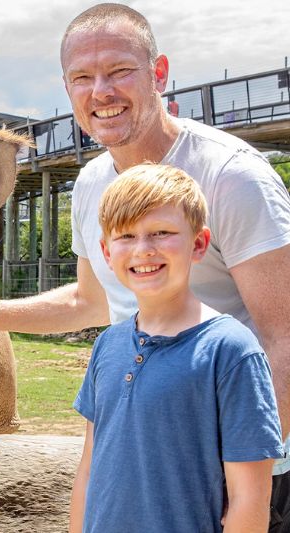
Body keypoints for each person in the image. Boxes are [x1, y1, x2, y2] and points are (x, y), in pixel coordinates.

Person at [0, 3, 290, 528]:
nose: (101, 92)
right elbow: (89, 301)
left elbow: (283, 338)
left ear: (159, 73)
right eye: (82, 78)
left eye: (119, 71)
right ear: (67, 89)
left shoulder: (231, 177)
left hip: (231, 465)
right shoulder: (92, 185)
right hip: (144, 459)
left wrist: (241, 482)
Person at [68, 163, 283, 532]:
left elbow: (250, 497)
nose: (143, 250)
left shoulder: (230, 351)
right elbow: (89, 468)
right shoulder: (108, 344)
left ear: (198, 244)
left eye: (161, 233)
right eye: (126, 237)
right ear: (105, 251)